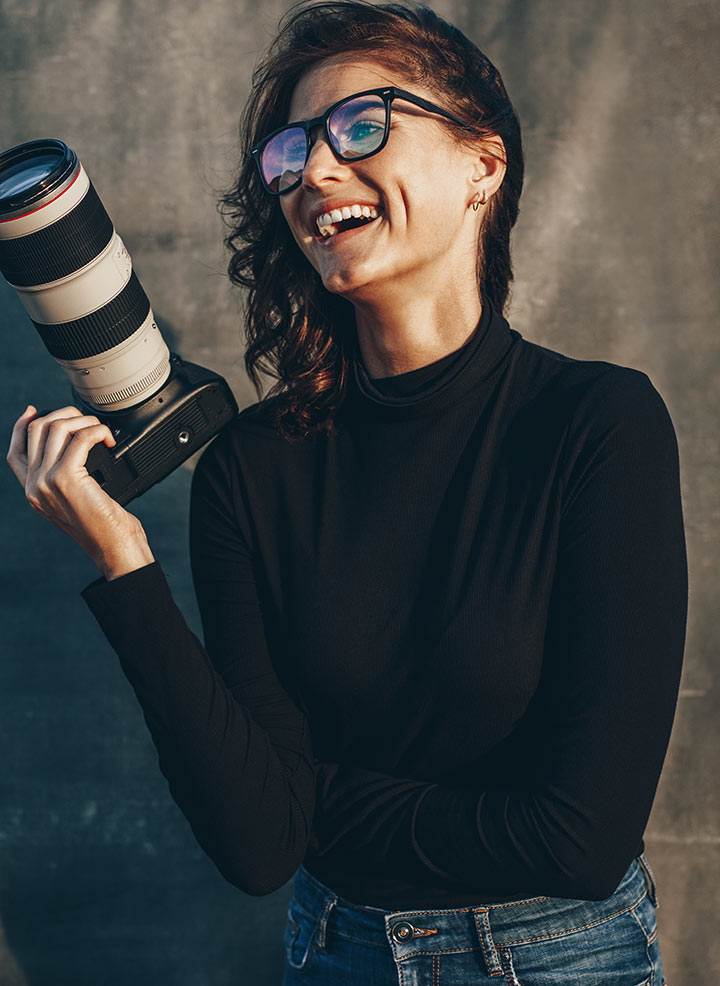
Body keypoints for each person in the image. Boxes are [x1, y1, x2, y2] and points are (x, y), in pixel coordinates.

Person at [7, 2, 687, 983]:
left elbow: (579, 836)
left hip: (561, 957)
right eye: (289, 150)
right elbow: (256, 843)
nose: (315, 170)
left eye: (364, 124)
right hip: (337, 952)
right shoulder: (252, 466)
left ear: (480, 166)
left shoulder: (598, 425)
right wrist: (123, 563)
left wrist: (316, 798)